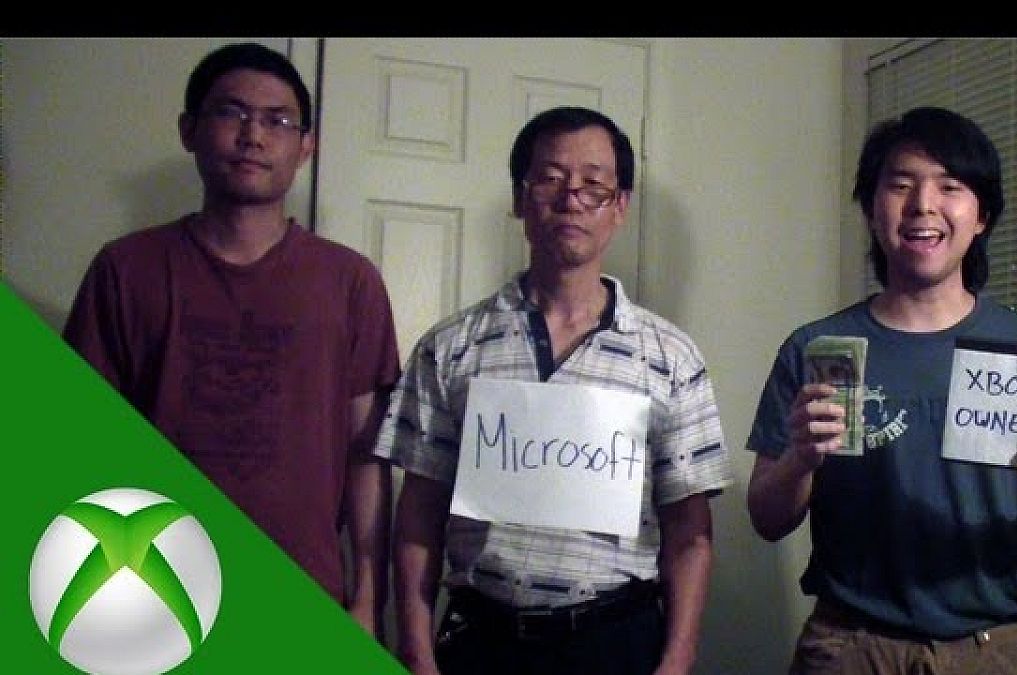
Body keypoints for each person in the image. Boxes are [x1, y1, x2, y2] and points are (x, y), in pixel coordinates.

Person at [746, 106, 1017, 674]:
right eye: (900, 184)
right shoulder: (817, 348)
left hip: (994, 650)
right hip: (850, 645)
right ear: (871, 209)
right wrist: (799, 459)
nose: (923, 204)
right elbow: (767, 519)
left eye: (950, 186)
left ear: (981, 215)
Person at [376, 106, 732, 675]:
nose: (571, 198)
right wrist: (416, 650)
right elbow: (419, 512)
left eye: (593, 184)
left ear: (620, 206)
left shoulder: (671, 357)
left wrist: (678, 658)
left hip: (616, 639)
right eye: (550, 178)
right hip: (482, 639)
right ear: (521, 199)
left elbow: (689, 531)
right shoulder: (451, 346)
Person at [62, 42, 400, 637]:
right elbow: (79, 446)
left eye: (278, 121)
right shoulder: (126, 268)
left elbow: (366, 453)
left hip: (304, 596)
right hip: (150, 591)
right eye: (231, 113)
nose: (253, 136)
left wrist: (369, 600)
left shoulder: (350, 281)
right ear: (188, 130)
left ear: (307, 146)